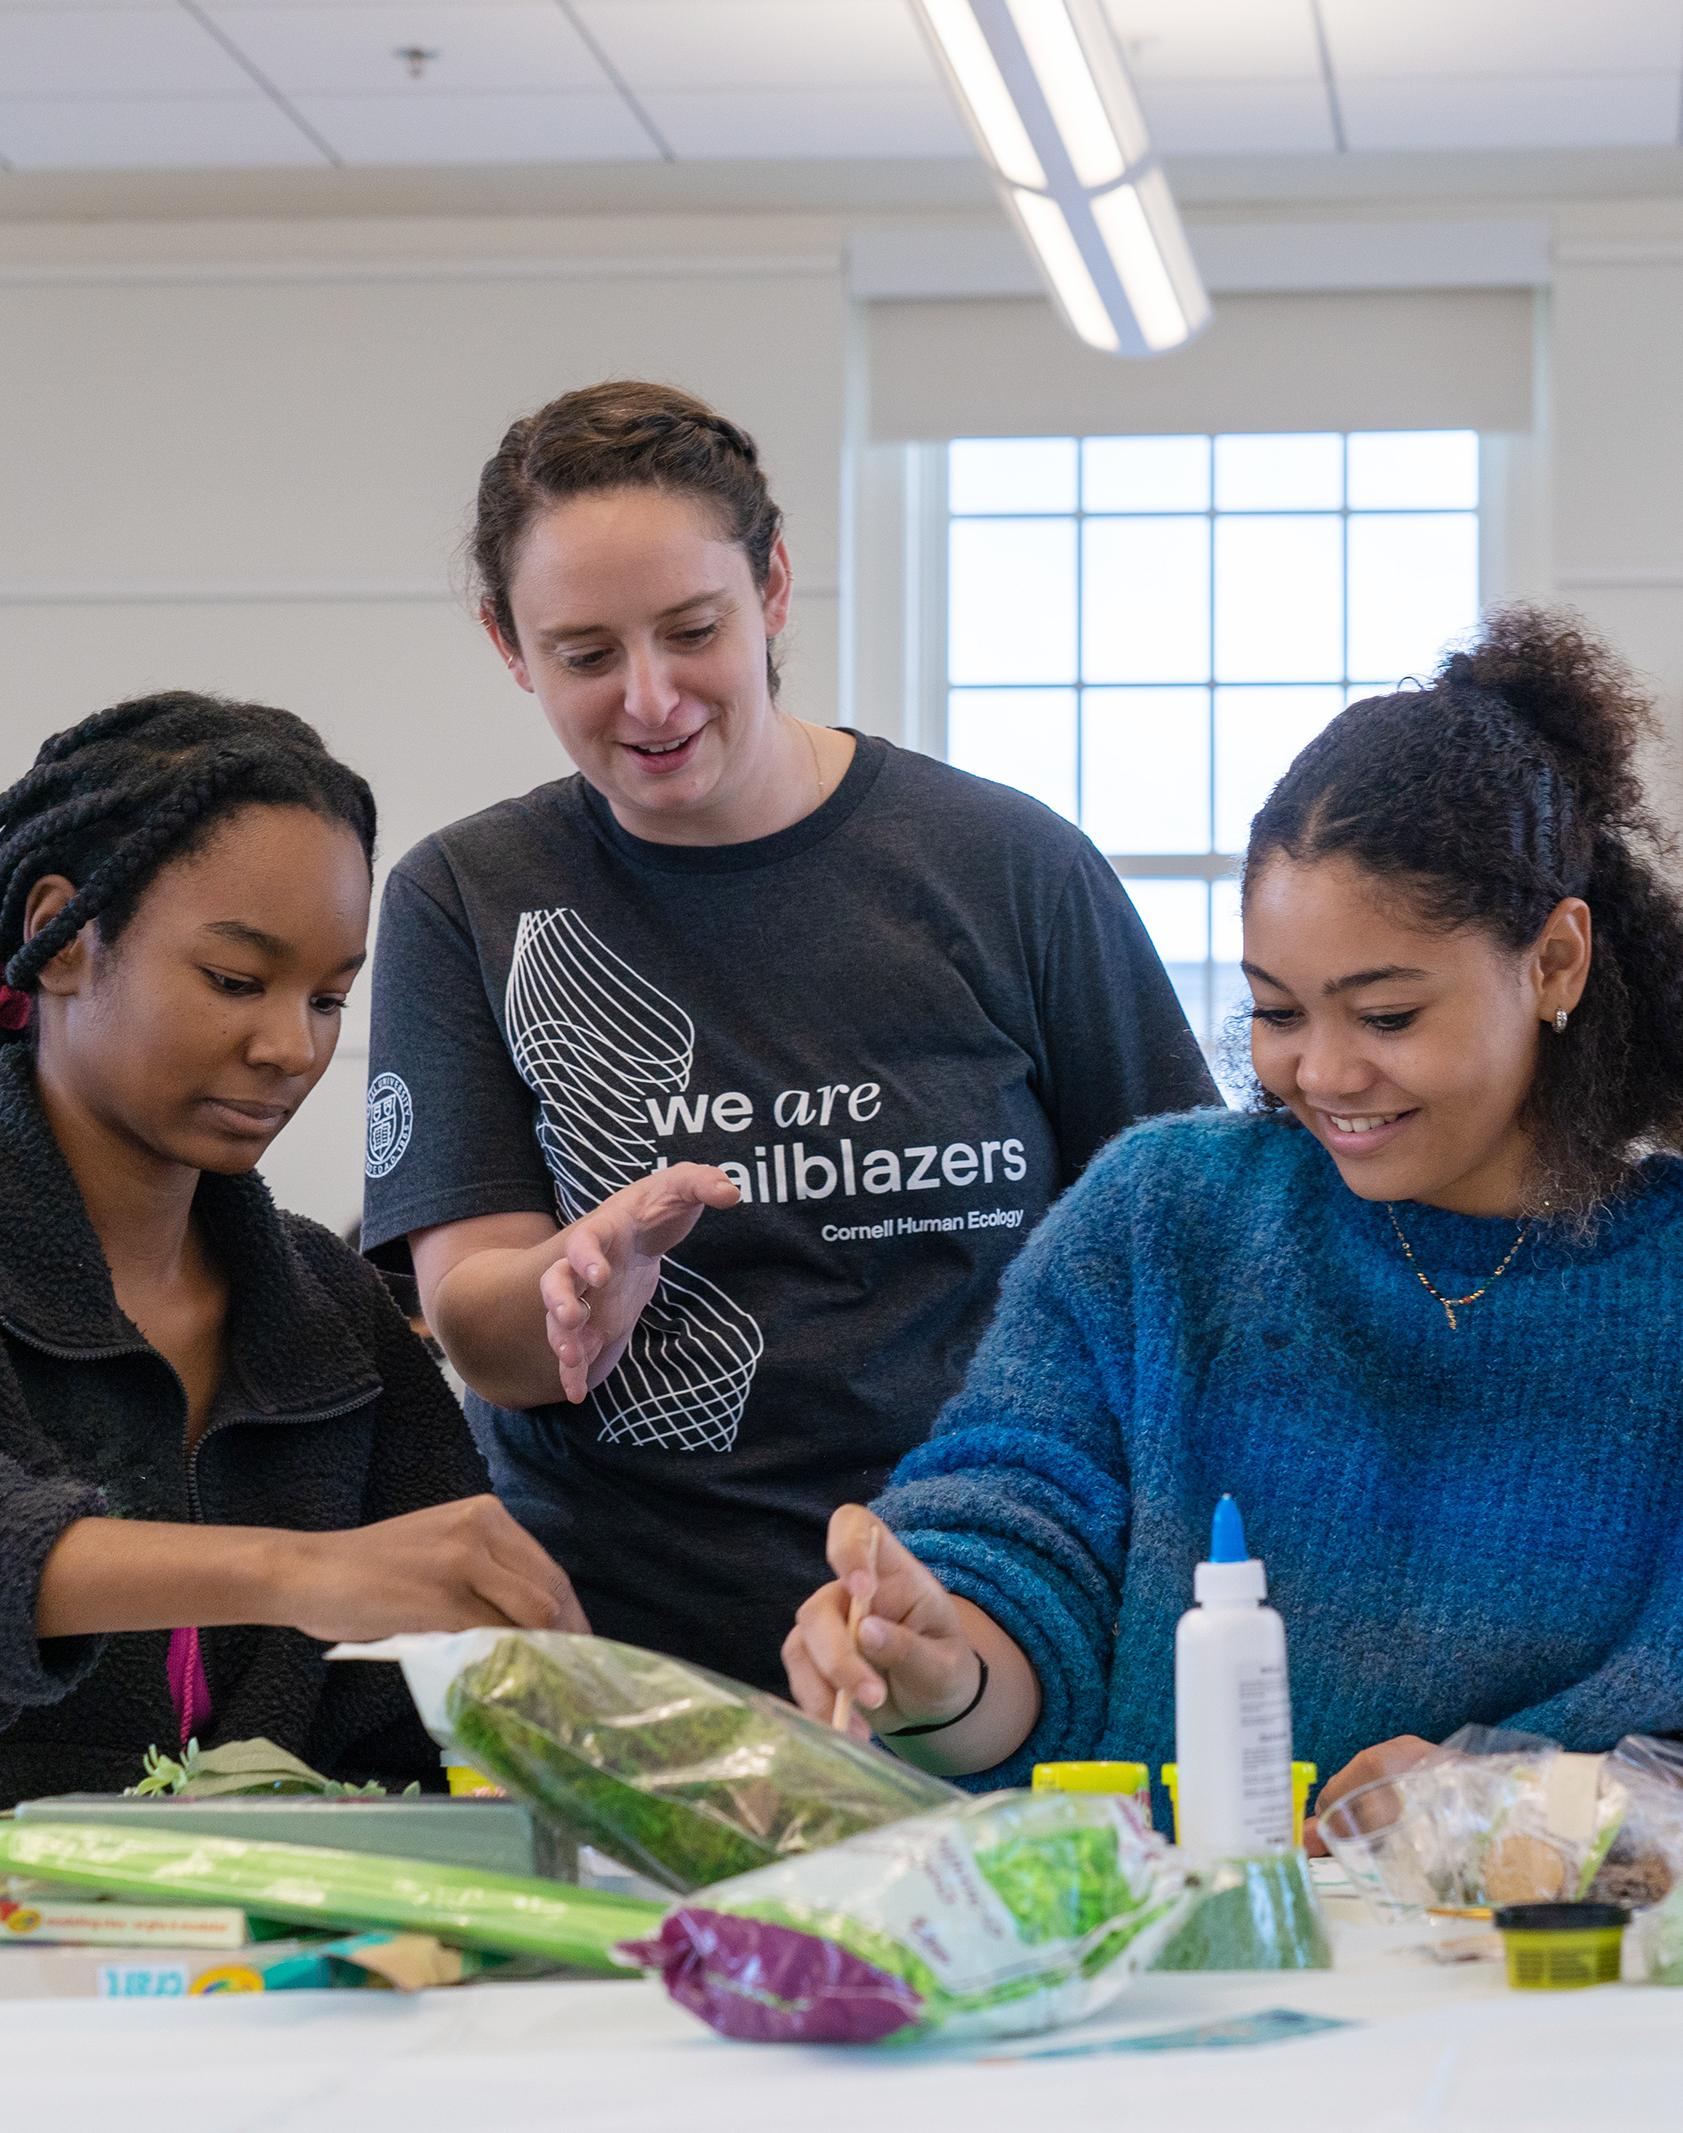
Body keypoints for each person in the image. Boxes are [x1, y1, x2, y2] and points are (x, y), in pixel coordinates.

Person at [362, 379, 1214, 1693]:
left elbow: (1183, 1250)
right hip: (635, 1652)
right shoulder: (465, 897)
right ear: (506, 643)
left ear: (770, 588)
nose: (647, 699)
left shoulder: (1006, 867)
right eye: (584, 654)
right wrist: (577, 1279)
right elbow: (474, 1327)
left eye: (689, 630)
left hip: (983, 1616)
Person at [781, 608, 1683, 1833]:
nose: (1322, 1074)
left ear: (1557, 963)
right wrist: (933, 1665)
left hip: (1540, 1987)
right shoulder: (1168, 1218)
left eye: (1387, 1015)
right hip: (1171, 1974)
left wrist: (1520, 1803)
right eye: (1277, 1011)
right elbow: (1014, 1528)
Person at [0, 693, 583, 1809]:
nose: (290, 1049)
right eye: (235, 981)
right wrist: (304, 1571)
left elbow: (412, 1737)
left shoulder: (334, 1314)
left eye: (328, 997)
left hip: (263, 1973)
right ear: (66, 938)